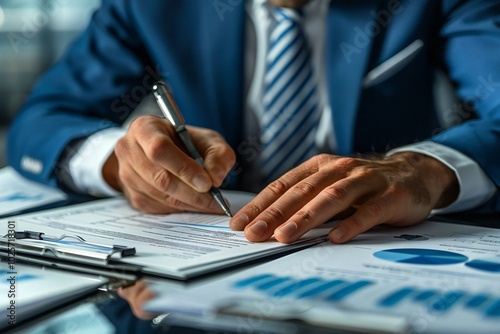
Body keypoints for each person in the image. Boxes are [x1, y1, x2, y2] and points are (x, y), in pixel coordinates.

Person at [7, 0, 500, 246]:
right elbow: (43, 119)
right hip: (204, 260)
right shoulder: (149, 6)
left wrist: (429, 169)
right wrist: (119, 162)